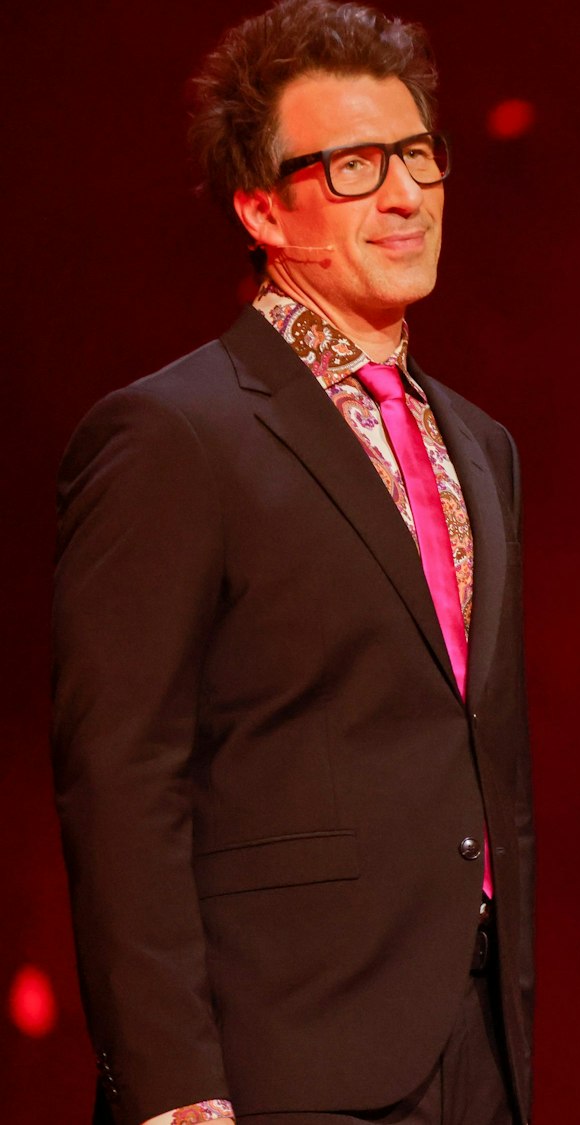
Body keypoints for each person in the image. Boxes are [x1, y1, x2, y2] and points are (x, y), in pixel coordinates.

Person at [50, 3, 532, 1123]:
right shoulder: (172, 435)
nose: (406, 195)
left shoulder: (480, 443)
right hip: (281, 1052)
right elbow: (122, 781)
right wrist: (172, 1086)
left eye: (417, 156)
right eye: (355, 167)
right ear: (262, 207)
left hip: (475, 1049)